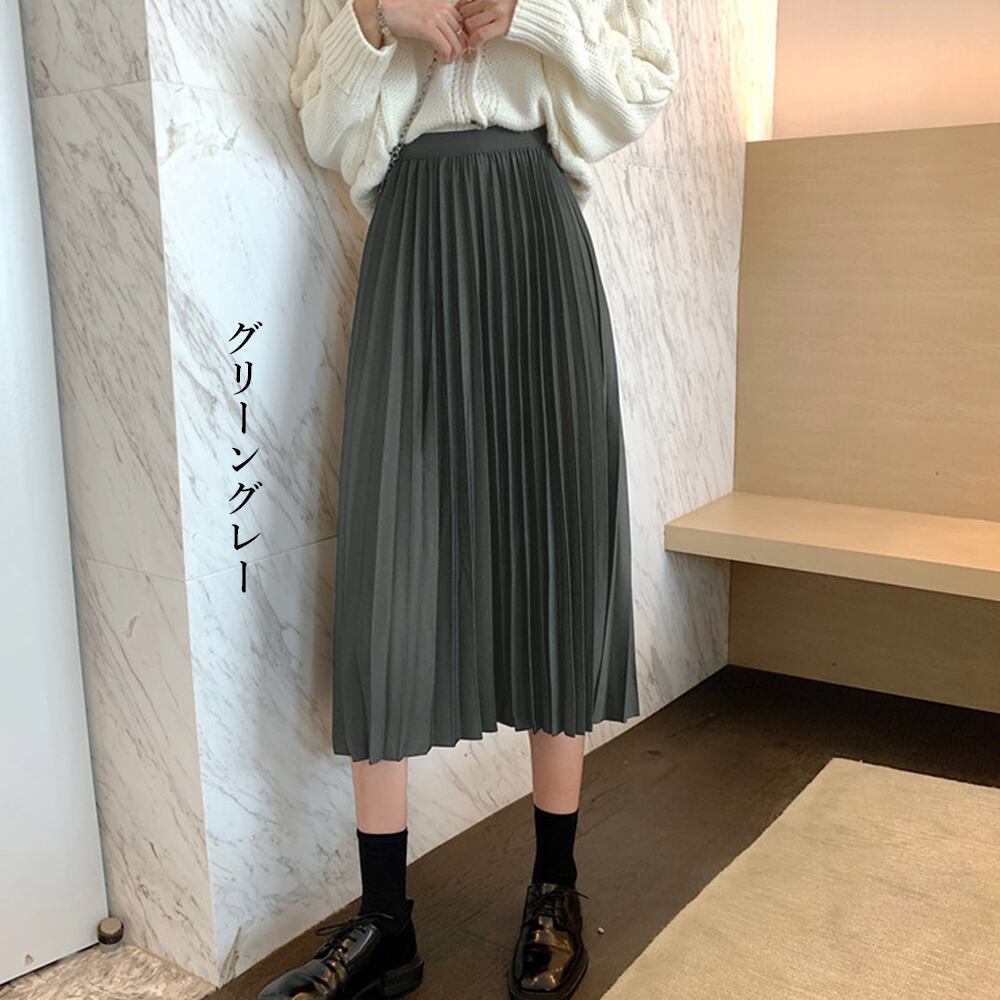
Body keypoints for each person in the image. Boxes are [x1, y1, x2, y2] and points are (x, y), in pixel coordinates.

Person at [259, 0, 678, 994]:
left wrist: (539, 19)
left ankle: (553, 886)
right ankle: (384, 923)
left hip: (536, 233)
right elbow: (321, 124)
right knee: (390, 562)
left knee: (558, 543)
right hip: (414, 236)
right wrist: (373, 18)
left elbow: (643, 83)